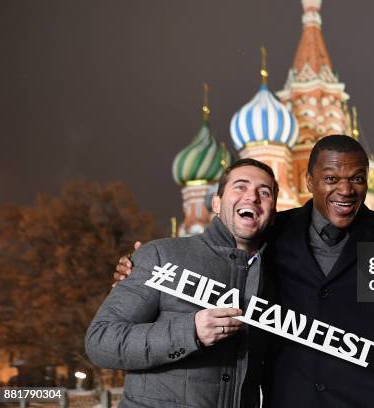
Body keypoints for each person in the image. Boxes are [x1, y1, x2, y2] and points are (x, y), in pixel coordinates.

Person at [114, 135, 374, 407]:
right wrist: (144, 266)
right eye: (331, 179)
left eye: (357, 178)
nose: (346, 189)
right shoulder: (272, 232)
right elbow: (213, 266)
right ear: (309, 181)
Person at [85, 158, 279, 408]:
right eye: (240, 186)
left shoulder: (277, 278)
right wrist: (190, 331)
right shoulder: (162, 255)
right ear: (216, 203)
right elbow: (100, 341)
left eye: (264, 192)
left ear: (273, 213)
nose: (252, 197)